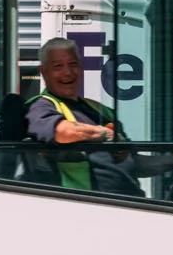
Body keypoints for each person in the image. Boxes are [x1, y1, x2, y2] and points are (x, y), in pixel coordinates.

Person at [26, 37, 139, 193]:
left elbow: (133, 162)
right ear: (44, 72)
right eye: (58, 66)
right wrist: (105, 134)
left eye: (73, 65)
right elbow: (62, 132)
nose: (68, 72)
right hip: (85, 204)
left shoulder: (102, 110)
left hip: (133, 203)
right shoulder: (40, 106)